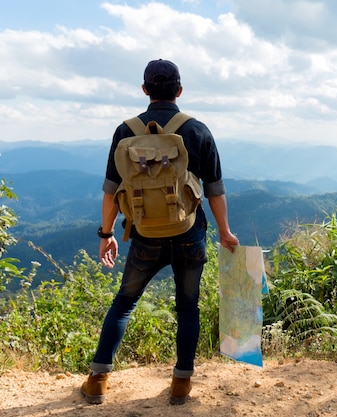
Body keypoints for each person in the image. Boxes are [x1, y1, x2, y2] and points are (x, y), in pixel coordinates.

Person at [80, 59, 239, 406]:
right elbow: (215, 190)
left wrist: (106, 234)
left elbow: (110, 192)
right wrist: (225, 233)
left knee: (124, 302)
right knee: (188, 308)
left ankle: (97, 381)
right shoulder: (197, 131)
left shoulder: (126, 132)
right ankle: (181, 384)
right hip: (189, 234)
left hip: (145, 236)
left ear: (145, 90)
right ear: (179, 91)